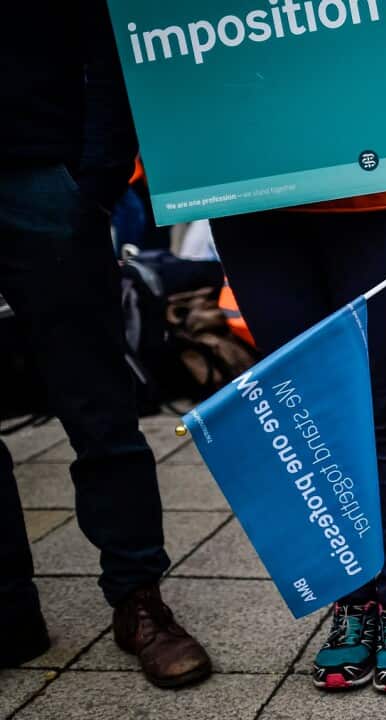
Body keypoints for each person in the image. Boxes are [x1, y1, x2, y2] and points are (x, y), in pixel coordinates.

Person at [208, 0, 386, 694]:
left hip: (378, 187)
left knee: (383, 396)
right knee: (307, 407)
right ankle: (352, 598)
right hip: (250, 188)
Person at [0, 1, 212, 686]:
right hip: (52, 174)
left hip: (40, 172)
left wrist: (92, 183)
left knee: (98, 406)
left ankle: (139, 602)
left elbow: (104, 41)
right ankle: (9, 613)